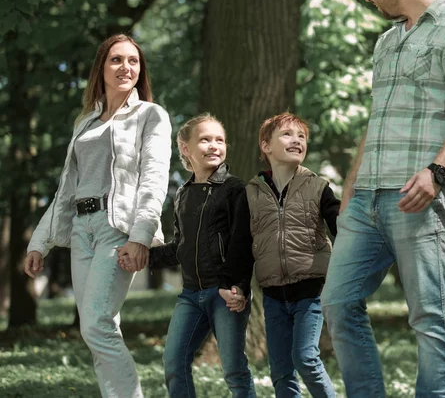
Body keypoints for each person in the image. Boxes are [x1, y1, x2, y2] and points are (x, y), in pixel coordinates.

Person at [320, 0, 445, 397]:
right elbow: (377, 121)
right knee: (336, 304)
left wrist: (437, 173)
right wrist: (351, 191)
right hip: (366, 200)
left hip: (419, 196)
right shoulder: (387, 41)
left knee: (429, 314)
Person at [23, 34, 172, 398]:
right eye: (117, 60)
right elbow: (65, 189)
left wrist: (140, 236)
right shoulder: (85, 123)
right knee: (101, 330)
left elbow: (154, 180)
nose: (126, 68)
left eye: (133, 61)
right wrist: (39, 242)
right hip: (80, 230)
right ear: (101, 69)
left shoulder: (151, 115)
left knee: (95, 326)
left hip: (116, 228)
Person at [119, 114, 256, 397]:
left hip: (225, 294)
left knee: (234, 370)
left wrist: (238, 286)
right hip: (191, 295)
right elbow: (181, 246)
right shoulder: (182, 194)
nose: (214, 146)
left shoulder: (234, 189)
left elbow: (243, 243)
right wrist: (145, 255)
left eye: (219, 140)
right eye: (205, 139)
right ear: (185, 147)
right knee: (173, 361)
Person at [219, 112, 339, 398]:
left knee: (305, 358)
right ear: (266, 146)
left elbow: (341, 229)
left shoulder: (318, 186)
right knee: (281, 371)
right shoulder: (251, 193)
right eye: (287, 134)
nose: (296, 140)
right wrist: (234, 283)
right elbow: (240, 245)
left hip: (311, 291)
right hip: (273, 295)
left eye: (302, 136)